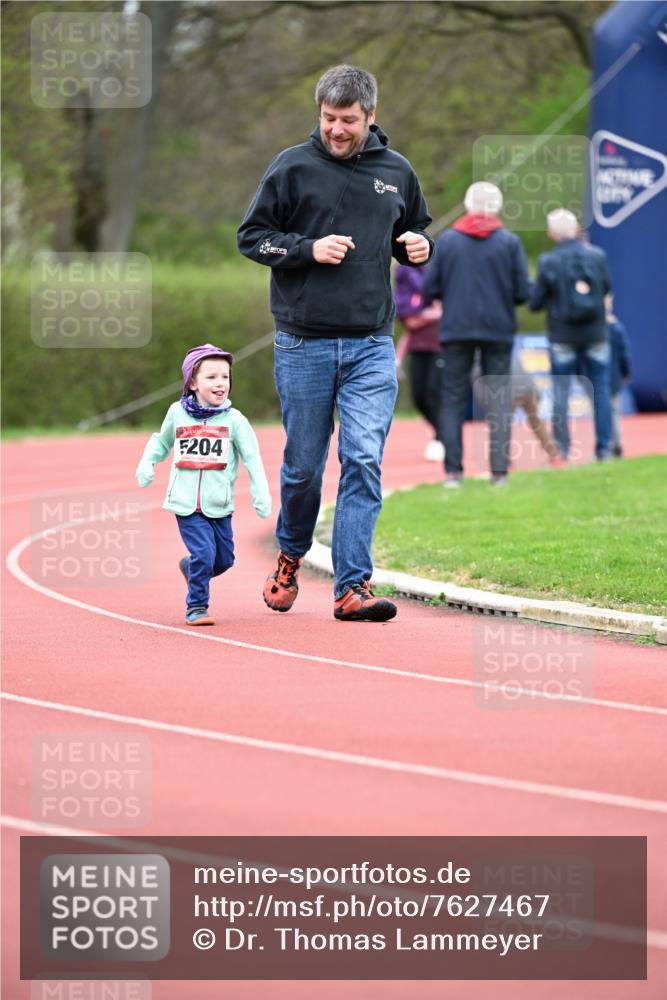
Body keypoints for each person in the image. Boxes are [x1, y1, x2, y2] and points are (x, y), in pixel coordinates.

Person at [237, 64, 433, 622]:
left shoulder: (397, 171)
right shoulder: (292, 166)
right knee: (303, 467)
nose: (337, 130)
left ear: (370, 116)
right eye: (328, 119)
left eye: (348, 120)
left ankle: (352, 587)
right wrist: (306, 250)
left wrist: (420, 246)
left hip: (372, 344)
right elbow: (251, 238)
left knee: (363, 459)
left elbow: (411, 232)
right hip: (304, 344)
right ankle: (291, 554)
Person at [135, 344, 271, 626]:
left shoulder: (235, 420)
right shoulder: (176, 412)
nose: (220, 382)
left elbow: (252, 457)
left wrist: (261, 492)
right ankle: (196, 606)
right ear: (193, 382)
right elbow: (161, 442)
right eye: (211, 377)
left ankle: (190, 567)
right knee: (205, 554)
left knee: (224, 560)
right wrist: (147, 463)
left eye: (225, 376)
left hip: (219, 504)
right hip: (185, 504)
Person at [423, 181, 530, 487]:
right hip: (498, 329)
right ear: (496, 207)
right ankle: (499, 473)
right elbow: (523, 292)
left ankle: (453, 473)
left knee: (453, 397)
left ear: (468, 206)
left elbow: (429, 288)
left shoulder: (448, 241)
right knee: (498, 399)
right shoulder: (509, 242)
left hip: (456, 328)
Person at [528, 209, 613, 461]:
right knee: (601, 390)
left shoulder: (549, 261)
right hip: (596, 331)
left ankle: (563, 450)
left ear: (552, 234)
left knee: (561, 392)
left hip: (562, 335)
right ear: (576, 229)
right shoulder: (597, 256)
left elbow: (535, 302)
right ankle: (604, 449)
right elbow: (606, 287)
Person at [393, 263, 444, 461]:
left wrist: (426, 315)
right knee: (419, 396)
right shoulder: (406, 280)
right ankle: (445, 432)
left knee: (434, 393)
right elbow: (411, 323)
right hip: (417, 346)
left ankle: (442, 437)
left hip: (441, 346)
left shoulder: (437, 274)